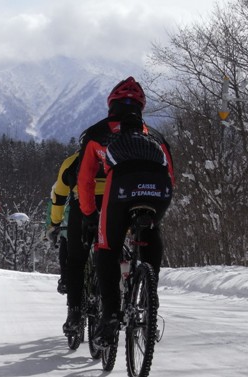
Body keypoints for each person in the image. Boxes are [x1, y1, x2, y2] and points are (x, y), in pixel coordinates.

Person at [76, 76, 174, 348]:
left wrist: (88, 215)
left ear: (111, 105)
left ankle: (110, 316)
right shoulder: (155, 135)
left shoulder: (96, 133)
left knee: (106, 248)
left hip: (120, 189)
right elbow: (171, 176)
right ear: (141, 107)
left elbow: (84, 180)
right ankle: (149, 304)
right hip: (159, 191)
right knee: (152, 232)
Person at [47, 150, 106, 336]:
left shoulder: (72, 161)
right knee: (111, 255)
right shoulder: (114, 154)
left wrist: (54, 224)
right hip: (112, 206)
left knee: (75, 262)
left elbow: (58, 198)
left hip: (82, 208)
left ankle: (74, 313)